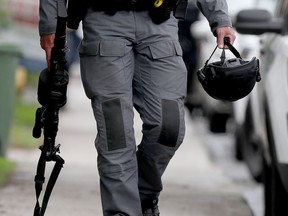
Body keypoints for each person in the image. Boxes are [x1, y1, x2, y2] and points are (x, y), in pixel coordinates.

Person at [39, 0, 236, 215]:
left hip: (159, 22)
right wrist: (50, 24)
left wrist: (220, 18)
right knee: (116, 135)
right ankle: (123, 210)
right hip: (104, 23)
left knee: (169, 127)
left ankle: (143, 196)